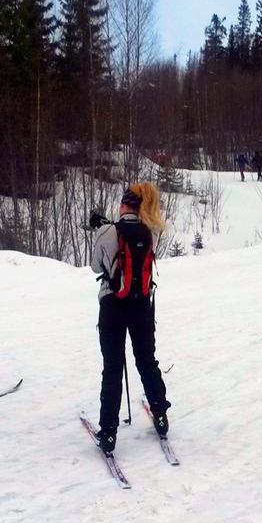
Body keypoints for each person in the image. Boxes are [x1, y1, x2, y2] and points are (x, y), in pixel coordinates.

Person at [89, 183, 171, 453]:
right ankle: (160, 415)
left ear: (124, 204)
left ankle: (109, 433)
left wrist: (103, 229)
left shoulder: (107, 231)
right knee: (147, 360)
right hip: (141, 306)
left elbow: (96, 266)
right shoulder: (152, 232)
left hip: (112, 304)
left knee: (113, 366)